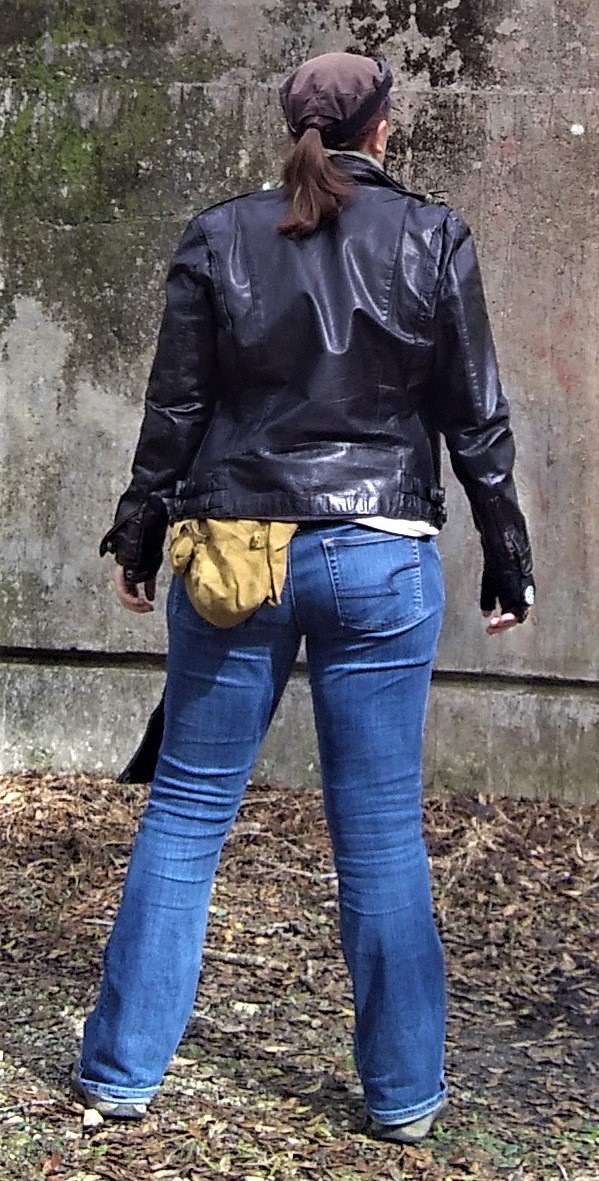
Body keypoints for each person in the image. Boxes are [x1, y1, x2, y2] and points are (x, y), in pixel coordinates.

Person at [73, 52, 535, 1142]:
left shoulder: (219, 234)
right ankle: (403, 1097)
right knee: (378, 831)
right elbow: (474, 411)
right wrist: (504, 549)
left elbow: (175, 406)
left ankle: (121, 1074)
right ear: (382, 129)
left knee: (187, 813)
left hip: (237, 555)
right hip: (380, 555)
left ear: (292, 130)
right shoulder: (431, 234)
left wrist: (140, 530)